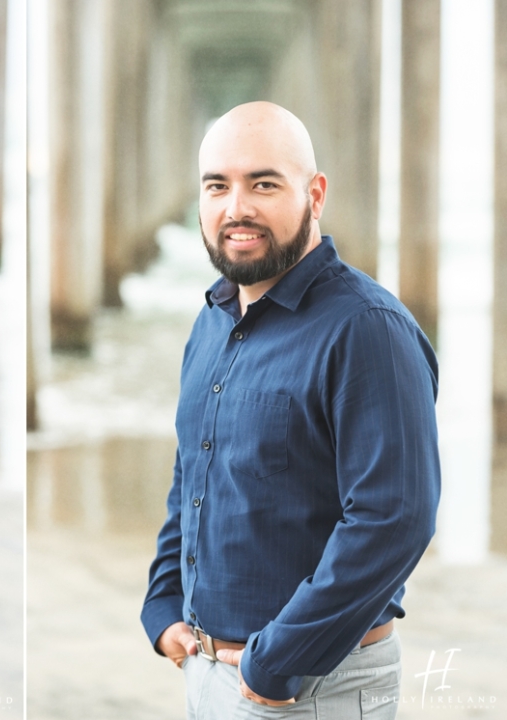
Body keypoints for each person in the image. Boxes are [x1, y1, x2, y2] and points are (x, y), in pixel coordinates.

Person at [141, 101, 441, 719]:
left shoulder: (367, 329)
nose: (236, 208)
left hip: (312, 686)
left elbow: (395, 518)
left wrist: (278, 662)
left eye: (264, 184)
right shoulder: (212, 321)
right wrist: (164, 599)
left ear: (315, 193)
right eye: (218, 185)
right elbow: (193, 470)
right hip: (206, 674)